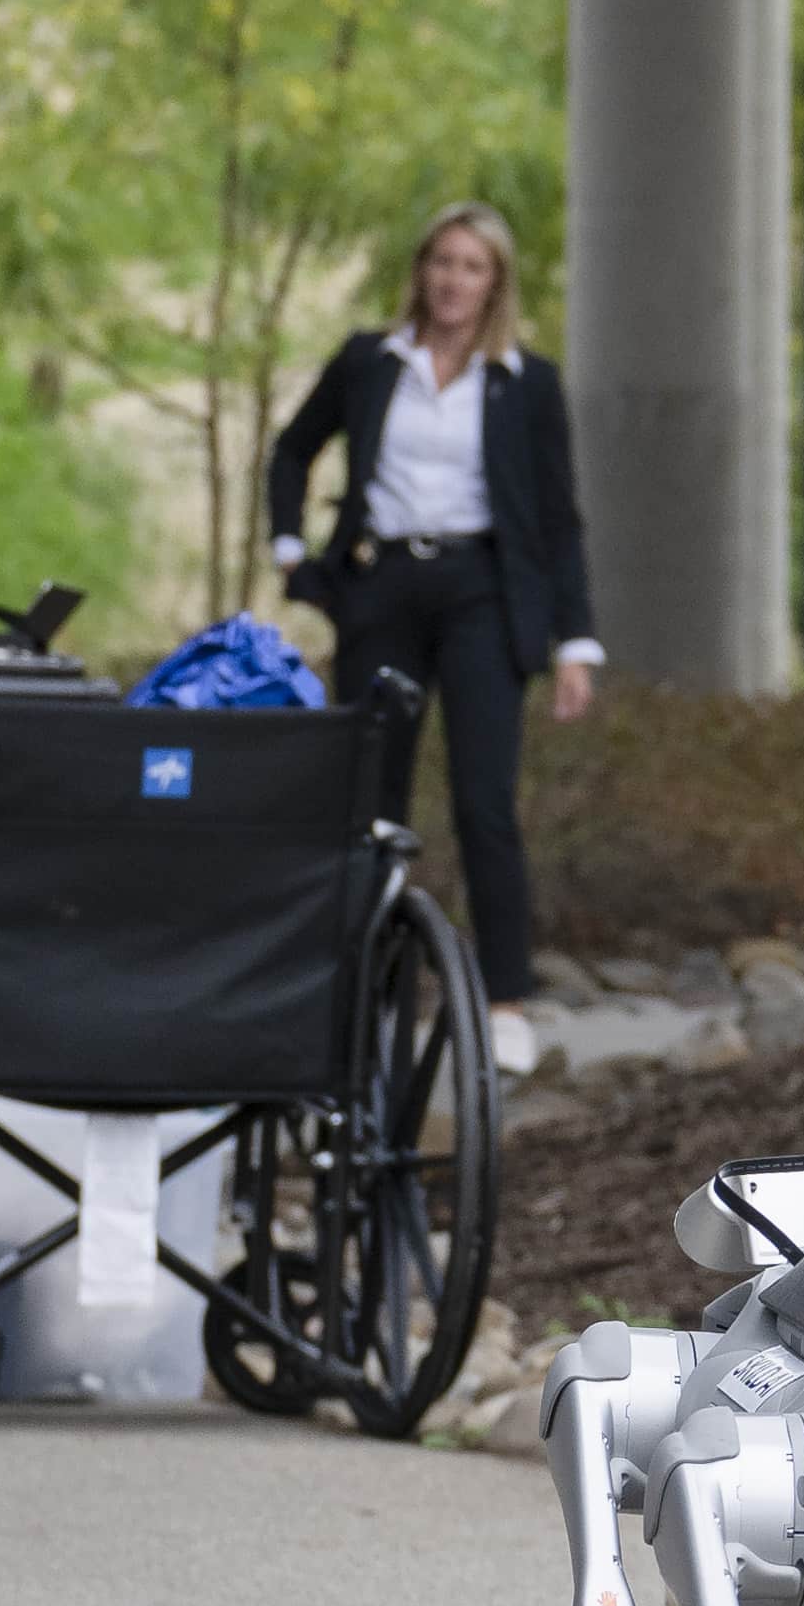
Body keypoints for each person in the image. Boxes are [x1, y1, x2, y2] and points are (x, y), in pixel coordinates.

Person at [260, 202, 603, 1087]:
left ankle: (506, 1002)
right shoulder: (370, 361)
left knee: (485, 799)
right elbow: (293, 450)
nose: (454, 280)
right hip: (380, 589)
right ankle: (360, 992)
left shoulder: (525, 382)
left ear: (496, 283)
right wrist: (292, 553)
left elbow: (559, 521)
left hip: (483, 592)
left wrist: (576, 642)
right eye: (443, 262)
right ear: (422, 271)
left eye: (473, 266)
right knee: (368, 800)